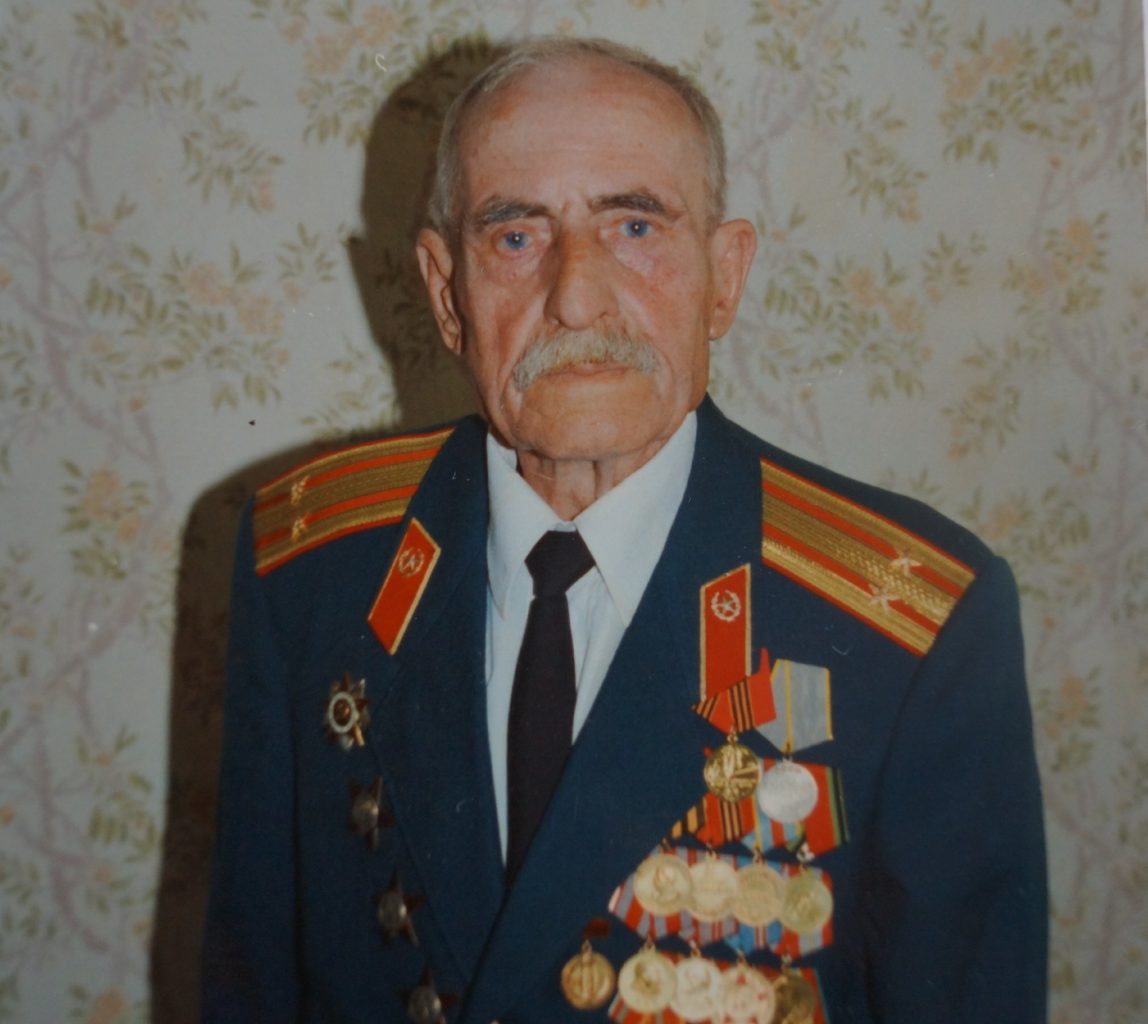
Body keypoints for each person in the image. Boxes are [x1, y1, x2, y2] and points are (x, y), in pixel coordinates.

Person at [201, 37, 1047, 1024]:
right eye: (515, 237)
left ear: (723, 277)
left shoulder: (913, 629)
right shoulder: (311, 567)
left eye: (634, 226)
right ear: (444, 292)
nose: (576, 296)